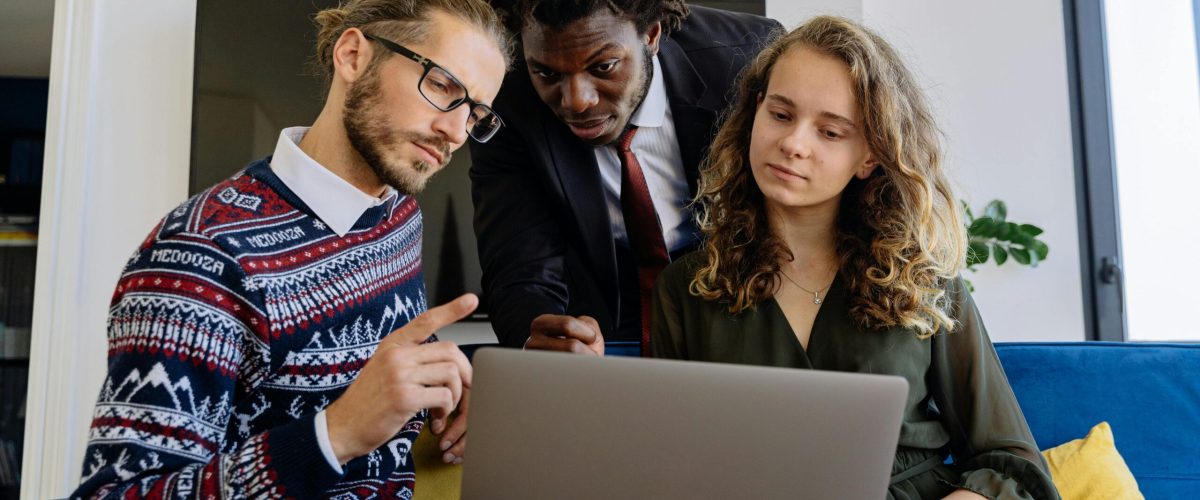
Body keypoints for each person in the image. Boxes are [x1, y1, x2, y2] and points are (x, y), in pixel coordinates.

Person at [72, 1, 511, 497]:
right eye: (441, 86)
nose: (455, 133)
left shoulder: (397, 214)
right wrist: (333, 434)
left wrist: (439, 382)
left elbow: (361, 360)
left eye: (474, 114)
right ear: (352, 56)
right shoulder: (196, 258)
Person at [650, 16, 1060, 500]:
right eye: (781, 115)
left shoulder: (924, 283)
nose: (794, 144)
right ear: (755, 113)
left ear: (868, 156)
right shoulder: (688, 287)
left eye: (830, 132)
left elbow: (1012, 461)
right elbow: (671, 465)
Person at [470, 0, 780, 356]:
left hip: (741, 295)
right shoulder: (505, 99)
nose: (577, 102)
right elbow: (520, 264)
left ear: (651, 35)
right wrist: (542, 339)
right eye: (548, 74)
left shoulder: (747, 57)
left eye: (603, 67)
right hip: (602, 319)